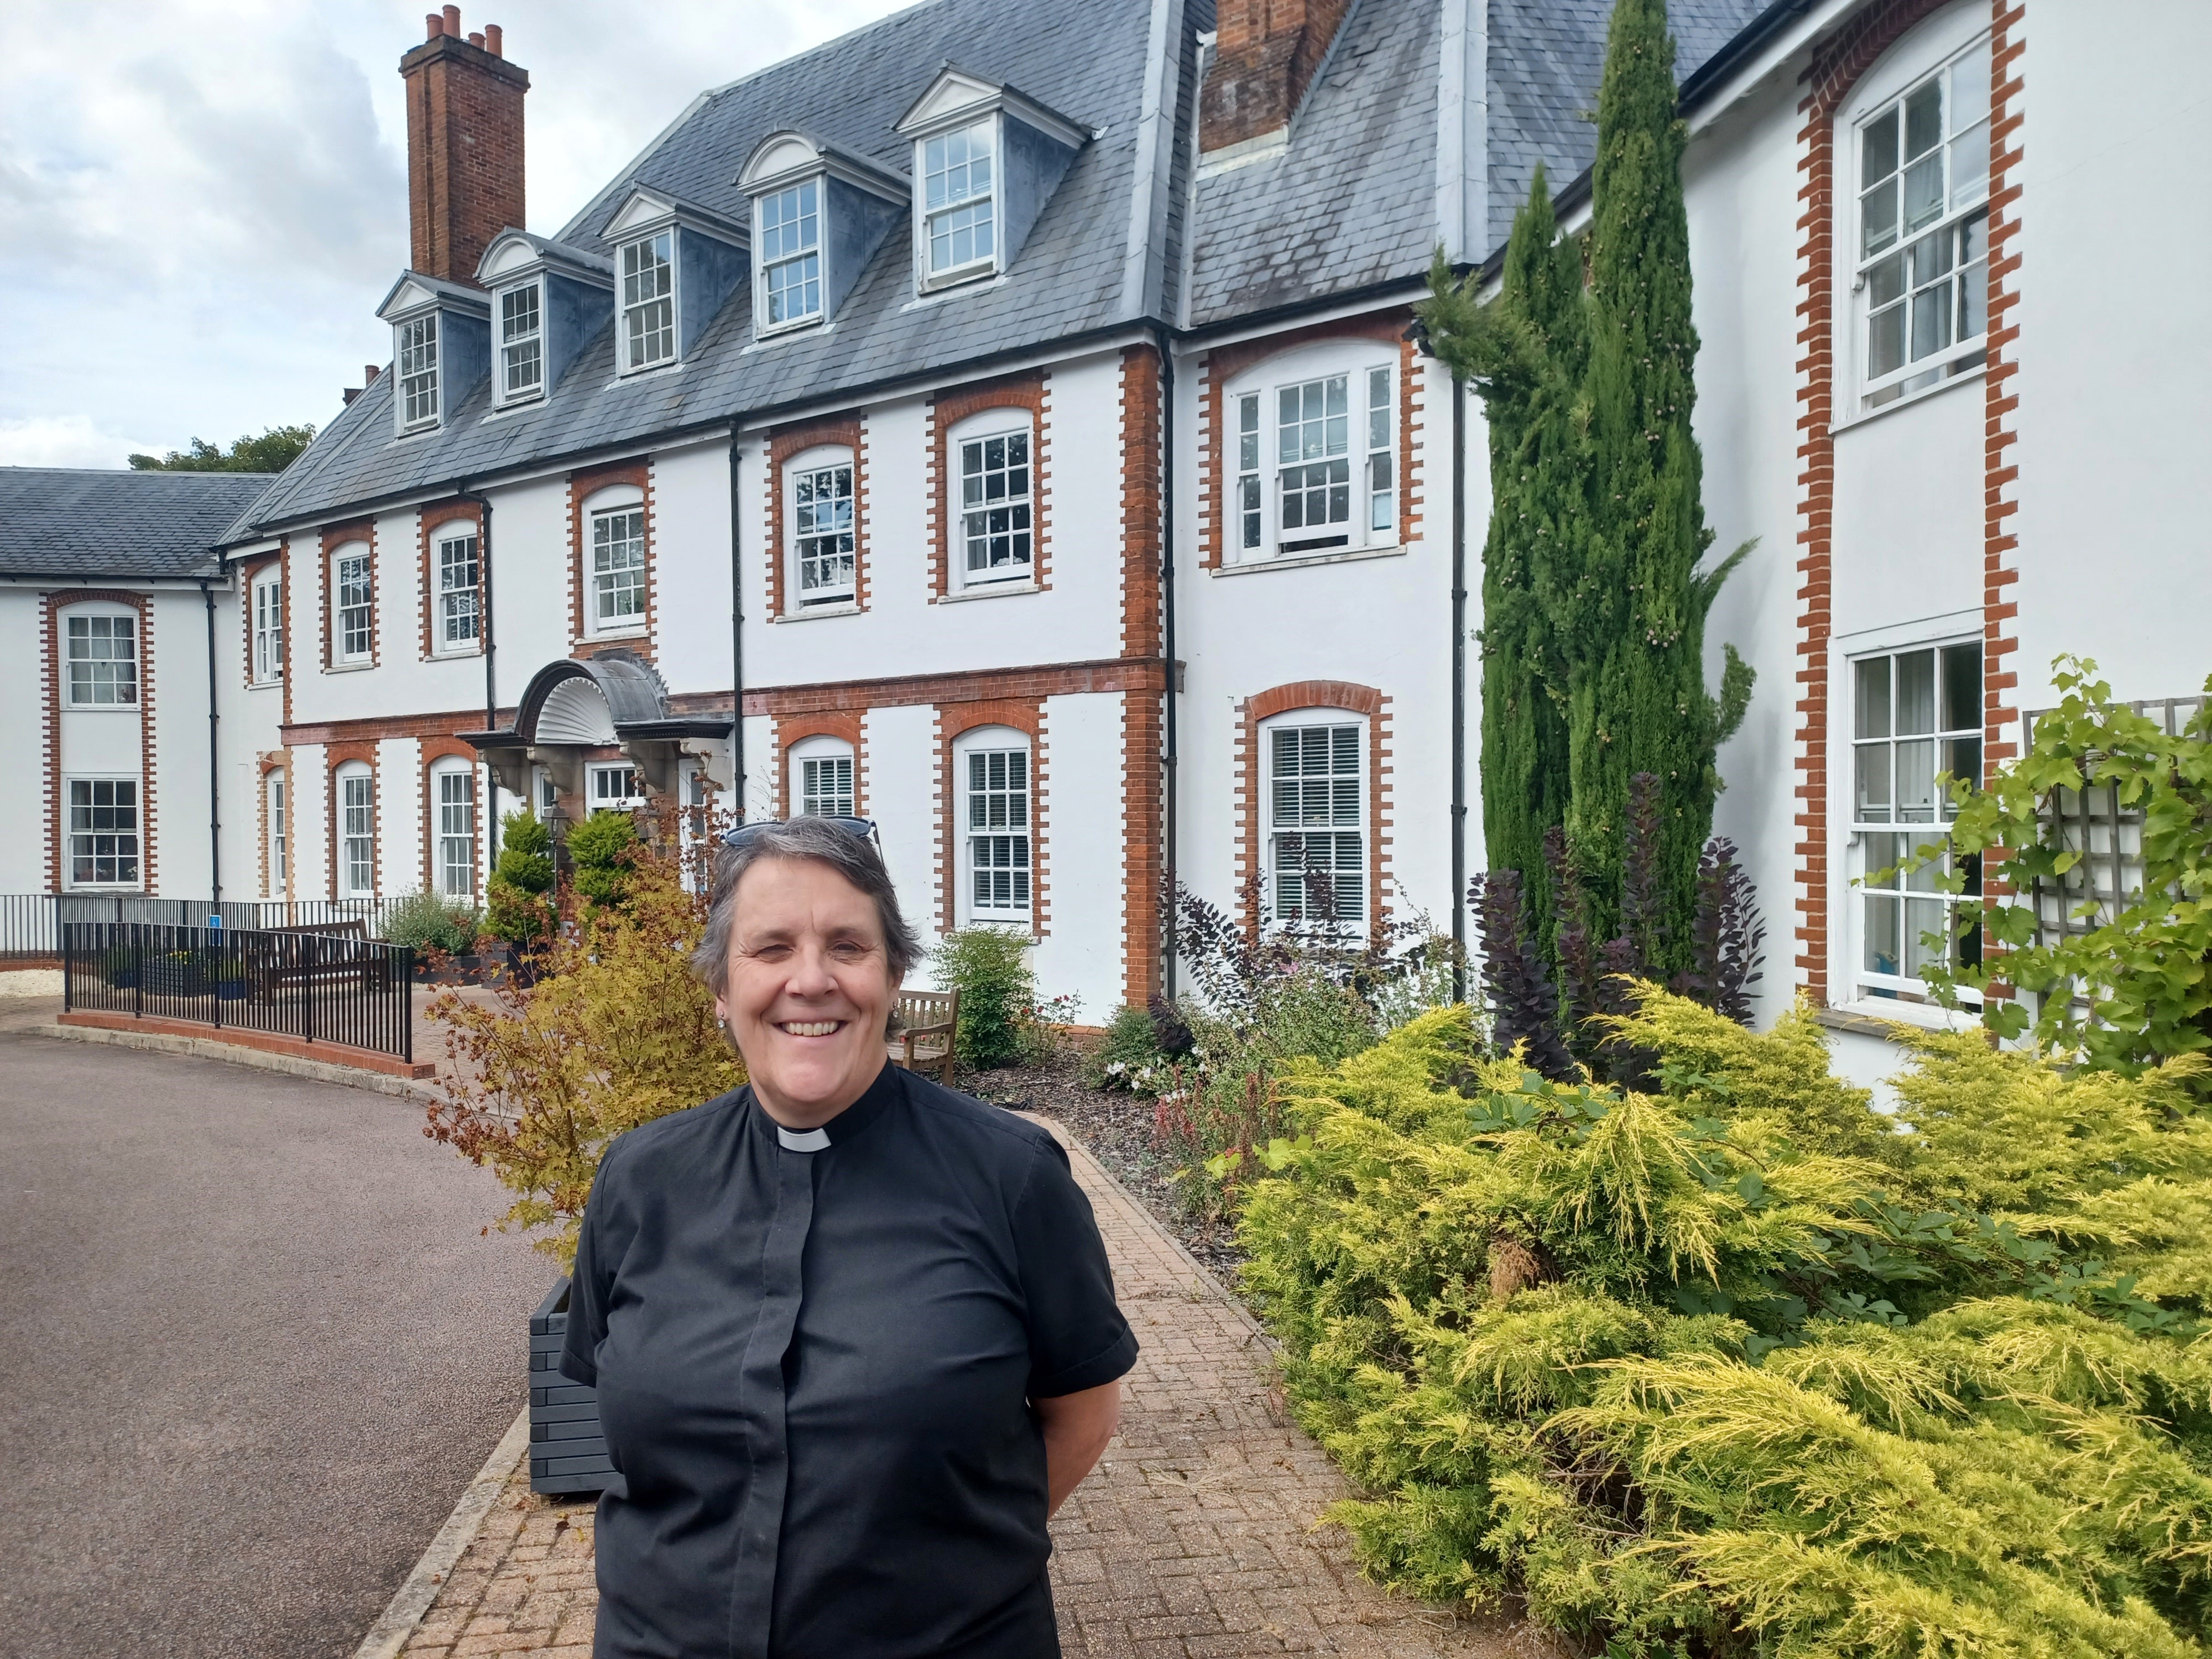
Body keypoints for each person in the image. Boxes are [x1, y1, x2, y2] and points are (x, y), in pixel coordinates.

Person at [561, 815, 1136, 1658]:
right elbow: (611, 1404)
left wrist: (950, 1567)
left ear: (893, 973)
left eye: (848, 946)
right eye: (770, 949)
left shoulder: (1012, 1176)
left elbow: (1081, 1415)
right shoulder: (641, 1179)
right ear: (721, 984)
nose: (811, 980)